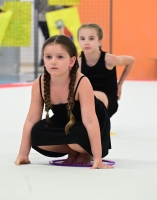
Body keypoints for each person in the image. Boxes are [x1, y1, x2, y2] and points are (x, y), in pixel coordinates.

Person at [15, 35, 113, 169]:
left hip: (90, 124)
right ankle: (73, 150)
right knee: (36, 132)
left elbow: (90, 120)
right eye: (48, 57)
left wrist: (98, 159)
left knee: (76, 136)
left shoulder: (82, 82)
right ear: (43, 59)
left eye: (60, 57)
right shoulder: (40, 83)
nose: (53, 62)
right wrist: (23, 154)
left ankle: (85, 153)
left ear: (72, 61)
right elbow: (31, 119)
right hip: (65, 123)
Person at [77, 23, 135, 118]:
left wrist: (119, 84)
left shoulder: (109, 60)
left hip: (107, 100)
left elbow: (131, 61)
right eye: (82, 39)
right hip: (87, 101)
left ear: (100, 41)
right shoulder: (78, 63)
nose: (86, 42)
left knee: (88, 95)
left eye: (91, 38)